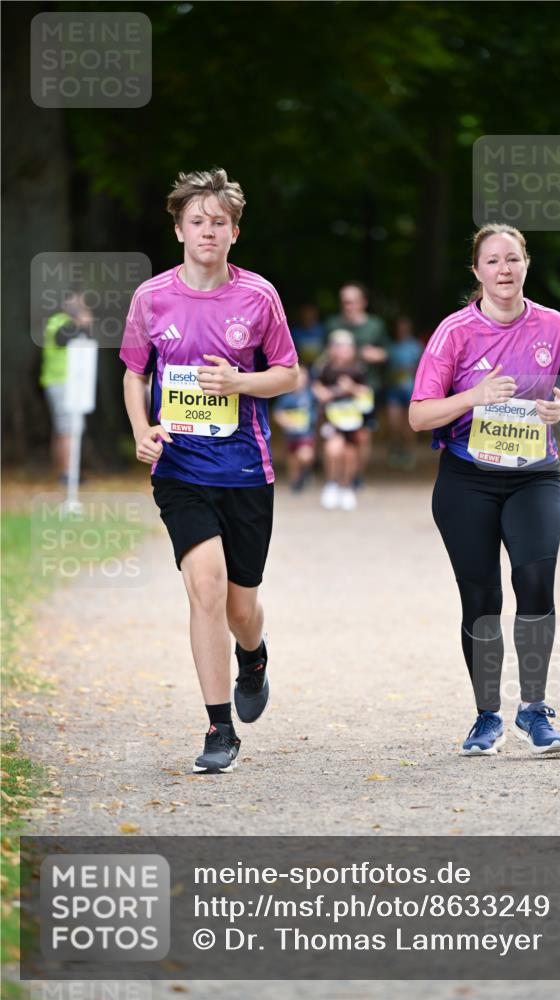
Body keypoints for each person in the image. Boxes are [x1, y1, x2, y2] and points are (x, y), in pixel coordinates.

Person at [120, 168, 298, 775]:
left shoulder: (258, 297)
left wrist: (241, 381)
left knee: (241, 608)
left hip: (246, 470)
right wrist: (143, 430)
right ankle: (219, 728)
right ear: (178, 230)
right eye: (197, 221)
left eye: (218, 222)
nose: (207, 231)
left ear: (234, 232)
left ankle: (254, 656)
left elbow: (289, 374)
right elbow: (134, 373)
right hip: (181, 469)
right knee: (205, 586)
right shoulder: (152, 298)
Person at [409, 223, 560, 757]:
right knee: (482, 598)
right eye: (492, 261)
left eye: (512, 259)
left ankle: (533, 709)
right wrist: (474, 396)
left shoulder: (555, 326)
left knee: (535, 579)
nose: (504, 270)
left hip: (535, 474)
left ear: (526, 264)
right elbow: (420, 415)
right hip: (467, 481)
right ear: (477, 271)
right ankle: (486, 716)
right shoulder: (455, 332)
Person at [325, 282, 390, 482]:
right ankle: (333, 474)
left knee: (363, 434)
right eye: (344, 302)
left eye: (352, 302)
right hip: (336, 388)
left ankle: (357, 475)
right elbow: (324, 354)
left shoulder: (375, 325)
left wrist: (374, 355)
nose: (347, 305)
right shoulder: (333, 324)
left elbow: (386, 353)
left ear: (363, 302)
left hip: (366, 387)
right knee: (332, 431)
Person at [39, 293, 94, 484]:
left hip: (71, 383)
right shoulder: (58, 322)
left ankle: (67, 472)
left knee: (66, 429)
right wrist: (81, 321)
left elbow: (87, 340)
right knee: (67, 428)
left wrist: (84, 324)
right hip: (60, 381)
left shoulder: (72, 323)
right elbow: (63, 338)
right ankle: (67, 474)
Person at [312, 329, 368, 511]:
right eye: (339, 346)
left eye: (346, 346)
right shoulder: (325, 368)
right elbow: (316, 386)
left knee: (350, 454)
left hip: (352, 420)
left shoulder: (358, 369)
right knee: (332, 450)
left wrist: (351, 388)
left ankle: (346, 486)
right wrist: (324, 394)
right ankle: (332, 484)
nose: (343, 350)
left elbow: (365, 393)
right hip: (332, 419)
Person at [385, 315, 422, 469]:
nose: (401, 330)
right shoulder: (391, 346)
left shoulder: (416, 346)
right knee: (394, 424)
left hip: (410, 390)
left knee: (409, 425)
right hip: (393, 390)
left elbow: (423, 368)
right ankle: (396, 450)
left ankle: (410, 453)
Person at [272, 366, 316, 491]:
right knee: (293, 461)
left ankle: (306, 471)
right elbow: (278, 413)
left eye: (304, 378)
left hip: (306, 433)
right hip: (290, 435)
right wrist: (286, 422)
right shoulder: (285, 397)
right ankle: (296, 482)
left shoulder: (311, 394)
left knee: (305, 455)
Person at [290, 303, 326, 369]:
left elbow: (326, 349)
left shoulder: (322, 330)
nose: (308, 316)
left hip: (320, 365)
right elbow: (292, 353)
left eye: (311, 313)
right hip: (301, 365)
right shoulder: (295, 332)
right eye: (305, 313)